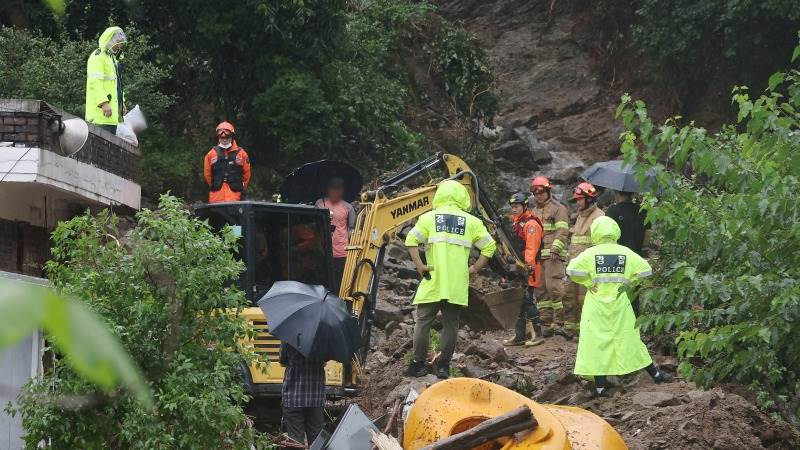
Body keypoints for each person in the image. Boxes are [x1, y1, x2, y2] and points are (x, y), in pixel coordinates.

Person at [565, 216, 671, 397]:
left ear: (595, 233)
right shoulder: (625, 252)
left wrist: (588, 282)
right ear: (616, 232)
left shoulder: (591, 253)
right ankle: (656, 374)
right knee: (630, 340)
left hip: (596, 306)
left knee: (596, 344)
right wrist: (630, 281)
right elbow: (646, 270)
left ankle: (600, 388)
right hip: (620, 304)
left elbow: (572, 270)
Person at [404, 180, 496, 379]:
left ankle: (417, 364)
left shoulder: (429, 218)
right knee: (451, 324)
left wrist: (420, 266)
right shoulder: (472, 222)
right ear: (462, 196)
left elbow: (411, 240)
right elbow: (490, 247)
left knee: (422, 322)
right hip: (456, 282)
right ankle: (444, 366)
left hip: (433, 279)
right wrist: (474, 268)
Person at [502, 192, 546, 347]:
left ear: (524, 206)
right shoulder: (517, 222)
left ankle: (538, 334)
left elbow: (531, 250)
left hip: (530, 268)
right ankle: (519, 335)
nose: (513, 209)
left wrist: (527, 269)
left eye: (517, 207)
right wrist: (512, 271)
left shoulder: (531, 224)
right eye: (512, 207)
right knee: (523, 301)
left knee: (528, 301)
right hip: (521, 266)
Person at [529, 176, 570, 337]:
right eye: (535, 192)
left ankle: (560, 323)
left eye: (541, 191)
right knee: (541, 292)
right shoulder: (533, 212)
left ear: (547, 191)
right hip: (538, 258)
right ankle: (546, 324)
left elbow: (563, 231)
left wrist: (555, 248)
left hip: (553, 257)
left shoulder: (558, 209)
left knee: (555, 289)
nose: (538, 195)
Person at [563, 181, 604, 337]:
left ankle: (586, 333)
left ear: (589, 199)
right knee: (568, 297)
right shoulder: (581, 216)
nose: (577, 203)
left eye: (580, 199)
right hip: (574, 266)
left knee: (584, 300)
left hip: (588, 269)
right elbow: (575, 243)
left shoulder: (599, 217)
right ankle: (571, 331)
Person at [279, 343, 326, 448]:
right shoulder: (323, 338)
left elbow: (282, 362)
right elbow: (325, 362)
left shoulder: (287, 336)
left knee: (295, 441)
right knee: (316, 440)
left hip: (293, 398)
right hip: (315, 398)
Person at [315, 177, 355, 295]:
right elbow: (314, 225)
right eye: (334, 188)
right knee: (322, 281)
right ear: (329, 189)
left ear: (342, 190)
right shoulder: (320, 204)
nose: (336, 192)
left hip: (341, 251)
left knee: (338, 283)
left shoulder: (348, 207)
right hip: (322, 249)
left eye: (339, 189)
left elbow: (351, 229)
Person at [85, 26, 127, 134]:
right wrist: (103, 103)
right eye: (118, 43)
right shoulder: (98, 57)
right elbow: (95, 83)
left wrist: (122, 104)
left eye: (121, 44)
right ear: (110, 40)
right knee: (100, 149)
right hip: (99, 116)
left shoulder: (112, 59)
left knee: (108, 149)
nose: (120, 47)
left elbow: (117, 85)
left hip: (111, 117)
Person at [203, 121, 251, 203]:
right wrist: (214, 185)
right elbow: (207, 174)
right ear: (218, 137)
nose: (224, 140)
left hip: (235, 195)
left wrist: (242, 186)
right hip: (216, 195)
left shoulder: (242, 154)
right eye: (222, 138)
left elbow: (247, 174)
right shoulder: (211, 154)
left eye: (227, 137)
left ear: (232, 137)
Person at [604, 191, 651, 257]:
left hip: (617, 256)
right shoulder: (643, 211)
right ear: (632, 194)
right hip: (637, 256)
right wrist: (644, 250)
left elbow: (607, 233)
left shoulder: (612, 211)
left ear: (616, 194)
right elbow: (647, 233)